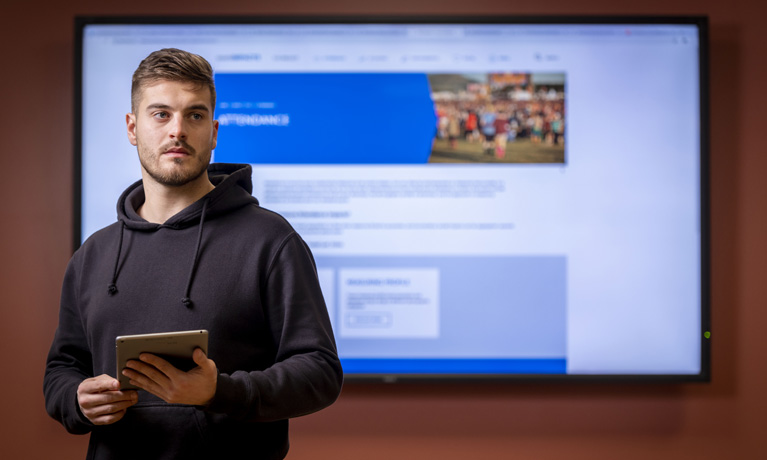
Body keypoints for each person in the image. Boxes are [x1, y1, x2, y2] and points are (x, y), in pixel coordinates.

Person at [43, 48, 343, 460]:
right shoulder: (93, 254)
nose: (177, 131)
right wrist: (77, 400)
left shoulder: (271, 241)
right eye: (161, 114)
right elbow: (61, 370)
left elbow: (320, 372)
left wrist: (222, 391)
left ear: (215, 131)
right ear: (133, 128)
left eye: (195, 115)